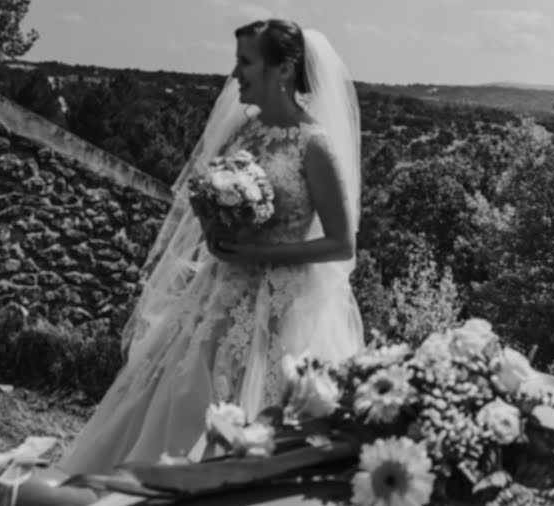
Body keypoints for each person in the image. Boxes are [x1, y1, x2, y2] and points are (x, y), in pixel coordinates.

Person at [57, 19, 364, 474]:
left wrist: (261, 256)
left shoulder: (313, 144)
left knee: (263, 416)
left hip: (285, 307)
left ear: (283, 70)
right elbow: (203, 195)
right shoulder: (243, 131)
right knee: (181, 398)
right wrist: (217, 220)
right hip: (218, 291)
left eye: (246, 62)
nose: (235, 74)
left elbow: (342, 243)